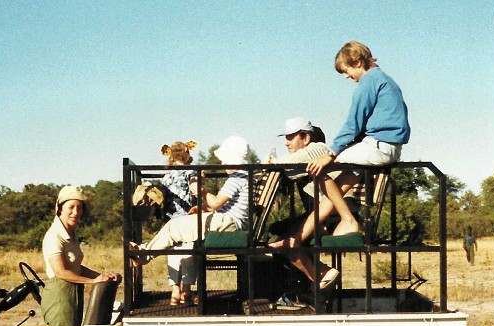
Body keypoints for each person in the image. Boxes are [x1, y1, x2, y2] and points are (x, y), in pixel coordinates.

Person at [270, 41, 410, 289]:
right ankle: (296, 240)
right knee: (333, 192)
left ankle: (348, 221)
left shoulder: (369, 82)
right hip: (382, 145)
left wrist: (332, 153)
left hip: (378, 145)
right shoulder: (382, 80)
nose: (347, 76)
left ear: (357, 62)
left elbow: (353, 124)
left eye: (346, 70)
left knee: (319, 168)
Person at [0, 185, 120, 326]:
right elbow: (61, 271)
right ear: (60, 209)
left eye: (79, 207)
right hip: (60, 293)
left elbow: (75, 266)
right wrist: (93, 281)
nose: (76, 212)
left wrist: (102, 276)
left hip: (72, 291)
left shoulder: (71, 233)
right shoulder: (54, 236)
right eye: (71, 207)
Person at [130, 136, 250, 267]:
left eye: (224, 160)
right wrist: (204, 208)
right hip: (229, 220)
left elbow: (216, 203)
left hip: (229, 222)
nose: (222, 164)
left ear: (233, 160)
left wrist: (201, 191)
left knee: (174, 226)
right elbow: (226, 205)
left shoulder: (237, 178)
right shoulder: (244, 176)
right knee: (175, 225)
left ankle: (143, 254)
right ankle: (143, 251)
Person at [159, 140, 199, 305]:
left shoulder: (166, 176)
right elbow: (195, 190)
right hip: (188, 217)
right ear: (186, 154)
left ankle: (175, 291)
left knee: (173, 252)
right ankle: (186, 291)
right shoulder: (190, 172)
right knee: (189, 252)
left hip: (171, 219)